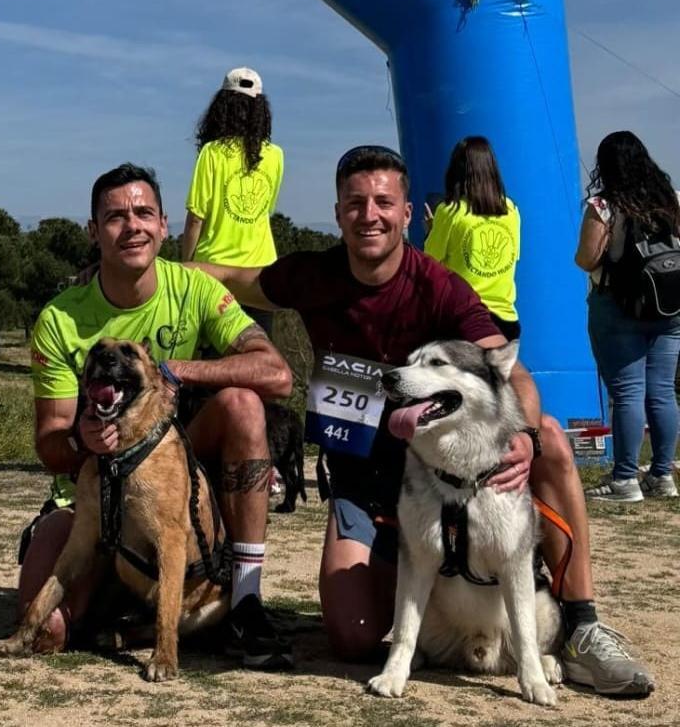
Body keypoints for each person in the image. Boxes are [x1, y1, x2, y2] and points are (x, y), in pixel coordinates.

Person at [199, 145, 654, 696]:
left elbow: (513, 374)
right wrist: (150, 262)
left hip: (438, 475)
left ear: (408, 213)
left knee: (553, 439)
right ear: (339, 211)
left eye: (384, 202)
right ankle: (444, 592)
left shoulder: (439, 286)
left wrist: (525, 437)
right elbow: (231, 277)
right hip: (364, 483)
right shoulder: (311, 274)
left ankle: (581, 625)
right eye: (356, 202)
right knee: (354, 637)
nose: (370, 214)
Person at [21, 163, 295, 670]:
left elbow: (278, 374)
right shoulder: (60, 319)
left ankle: (245, 599)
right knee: (49, 633)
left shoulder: (194, 290)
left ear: (165, 225)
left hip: (170, 481)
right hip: (91, 500)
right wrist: (82, 440)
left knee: (242, 403)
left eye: (144, 213)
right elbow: (49, 447)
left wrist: (173, 371)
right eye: (115, 217)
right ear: (93, 231)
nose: (133, 226)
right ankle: (124, 604)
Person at [574, 130, 680, 504]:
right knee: (663, 391)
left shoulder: (603, 205)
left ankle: (624, 481)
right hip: (670, 308)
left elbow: (586, 259)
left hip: (618, 307)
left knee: (628, 392)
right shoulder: (671, 200)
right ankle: (663, 475)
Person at [181, 67, 283, 331]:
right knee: (259, 357)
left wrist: (186, 265)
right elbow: (265, 212)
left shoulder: (212, 152)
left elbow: (195, 219)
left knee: (213, 361)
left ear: (221, 106)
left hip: (212, 272)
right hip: (261, 273)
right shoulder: (276, 155)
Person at [424, 135, 522, 340]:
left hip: (464, 318)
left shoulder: (449, 211)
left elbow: (430, 263)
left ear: (455, 171)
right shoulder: (511, 210)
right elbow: (513, 258)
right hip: (506, 320)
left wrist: (432, 231)